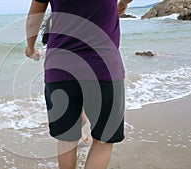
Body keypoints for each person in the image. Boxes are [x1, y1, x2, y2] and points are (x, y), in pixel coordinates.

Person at [25, 0, 132, 169]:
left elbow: (34, 19)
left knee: (67, 138)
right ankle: (80, 119)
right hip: (104, 68)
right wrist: (123, 4)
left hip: (60, 68)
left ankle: (80, 120)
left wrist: (30, 47)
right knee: (103, 141)